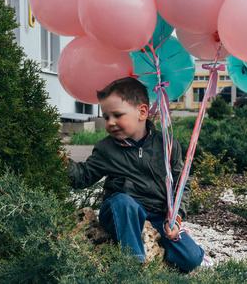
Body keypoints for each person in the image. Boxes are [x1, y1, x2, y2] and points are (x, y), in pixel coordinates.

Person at [66, 77, 211, 273]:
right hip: (119, 211)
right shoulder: (106, 148)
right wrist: (63, 164)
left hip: (158, 215)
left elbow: (180, 184)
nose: (110, 123)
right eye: (106, 117)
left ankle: (172, 254)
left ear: (142, 112)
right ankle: (133, 262)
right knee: (124, 202)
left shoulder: (167, 144)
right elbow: (83, 176)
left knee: (191, 257)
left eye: (117, 115)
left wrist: (174, 218)